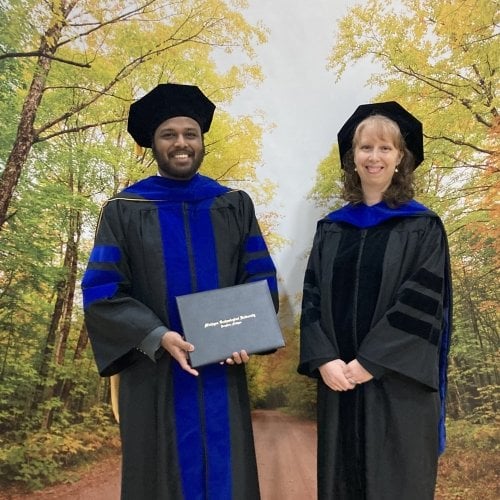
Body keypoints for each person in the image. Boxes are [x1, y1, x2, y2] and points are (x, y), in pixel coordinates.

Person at [81, 83, 278, 499]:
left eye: (191, 134)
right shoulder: (124, 210)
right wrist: (158, 336)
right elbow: (102, 291)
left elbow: (259, 278)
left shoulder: (234, 205)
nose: (181, 143)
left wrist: (242, 336)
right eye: (169, 134)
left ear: (202, 142)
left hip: (219, 372)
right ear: (152, 144)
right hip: (153, 376)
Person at [298, 101, 452, 500]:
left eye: (386, 148)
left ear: (401, 158)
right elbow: (312, 296)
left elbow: (423, 302)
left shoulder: (423, 227)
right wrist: (323, 358)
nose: (374, 157)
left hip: (396, 385)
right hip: (339, 382)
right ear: (353, 158)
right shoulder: (331, 229)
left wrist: (371, 362)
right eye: (366, 148)